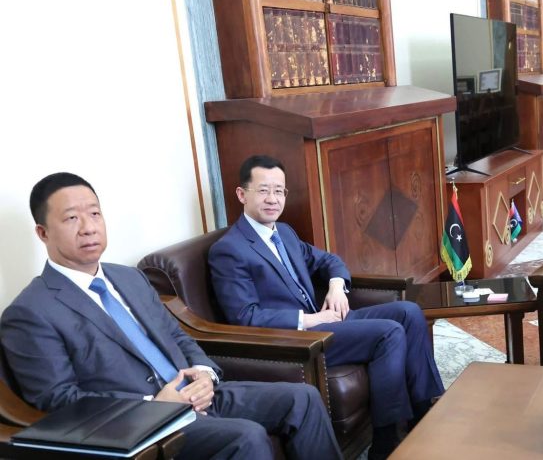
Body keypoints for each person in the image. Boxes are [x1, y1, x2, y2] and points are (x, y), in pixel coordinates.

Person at [1, 172, 343, 460]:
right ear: (43, 233)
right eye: (71, 218)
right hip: (143, 425)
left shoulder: (128, 278)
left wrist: (205, 374)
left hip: (198, 394)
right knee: (247, 436)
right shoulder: (30, 312)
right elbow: (60, 401)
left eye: (94, 214)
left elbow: (177, 335)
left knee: (303, 398)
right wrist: (153, 405)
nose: (88, 227)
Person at [208, 155, 445, 459]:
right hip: (298, 339)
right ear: (242, 194)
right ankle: (387, 441)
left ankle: (425, 413)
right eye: (263, 190)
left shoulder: (284, 233)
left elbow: (329, 261)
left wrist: (336, 286)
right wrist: (309, 320)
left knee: (408, 312)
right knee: (388, 333)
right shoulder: (229, 250)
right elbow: (245, 317)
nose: (273, 199)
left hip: (326, 320)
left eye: (279, 191)